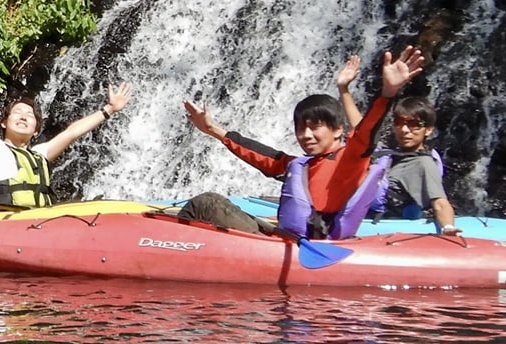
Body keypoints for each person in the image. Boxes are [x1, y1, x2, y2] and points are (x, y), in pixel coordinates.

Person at [179, 46, 428, 239]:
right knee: (221, 206)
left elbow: (367, 131)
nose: (306, 135)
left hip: (306, 245)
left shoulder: (351, 158)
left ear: (338, 130)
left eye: (315, 127)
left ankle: (173, 256)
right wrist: (213, 130)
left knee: (206, 204)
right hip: (288, 240)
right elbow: (264, 156)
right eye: (301, 129)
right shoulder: (305, 164)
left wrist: (387, 93)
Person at [0, 22, 128, 207]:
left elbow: (72, 132)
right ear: (3, 123)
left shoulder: (38, 155)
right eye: (17, 112)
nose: (23, 116)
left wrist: (109, 109)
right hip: (4, 226)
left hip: (37, 226)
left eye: (29, 115)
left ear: (36, 131)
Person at [347, 96, 460, 237]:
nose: (405, 130)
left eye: (414, 124)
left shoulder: (424, 164)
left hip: (387, 227)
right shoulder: (392, 154)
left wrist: (448, 228)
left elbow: (440, 203)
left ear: (428, 130)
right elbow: (362, 130)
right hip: (369, 220)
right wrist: (343, 90)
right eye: (399, 123)